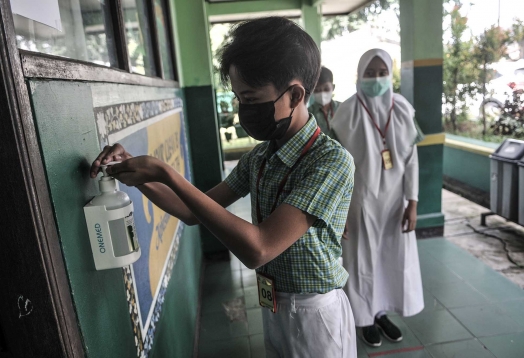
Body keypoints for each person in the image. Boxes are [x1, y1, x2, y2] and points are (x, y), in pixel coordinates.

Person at [91, 17, 357, 358]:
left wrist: (166, 173)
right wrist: (145, 177)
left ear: (295, 95)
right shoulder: (260, 158)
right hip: (274, 303)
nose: (241, 110)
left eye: (249, 98)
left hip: (315, 313)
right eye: (237, 98)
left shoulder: (329, 162)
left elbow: (258, 249)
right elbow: (191, 211)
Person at [331, 49, 424, 348]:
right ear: (359, 75)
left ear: (390, 74)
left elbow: (412, 160)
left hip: (395, 202)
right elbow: (335, 166)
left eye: (381, 72)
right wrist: (338, 211)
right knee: (360, 261)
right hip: (358, 202)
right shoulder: (345, 113)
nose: (375, 78)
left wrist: (413, 201)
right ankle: (364, 319)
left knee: (389, 258)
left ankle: (382, 313)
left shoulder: (403, 109)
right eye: (369, 73)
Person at [308, 66, 341, 139]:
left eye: (326, 89)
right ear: (312, 91)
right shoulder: (308, 114)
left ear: (333, 87)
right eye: (317, 90)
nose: (322, 93)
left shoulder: (342, 108)